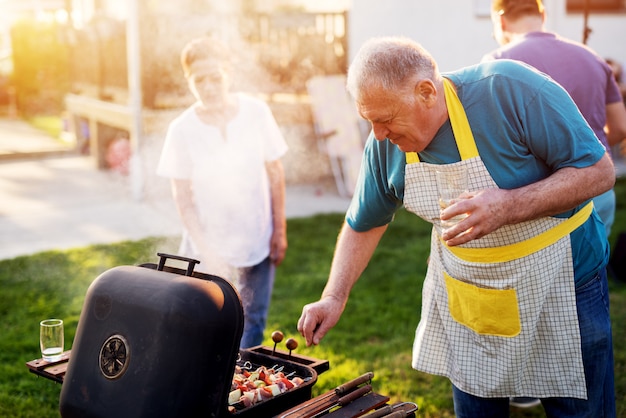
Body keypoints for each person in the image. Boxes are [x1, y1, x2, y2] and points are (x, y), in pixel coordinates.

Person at [297, 36, 616, 417]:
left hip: (563, 288)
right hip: (471, 300)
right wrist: (334, 296)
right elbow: (363, 221)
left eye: (385, 120)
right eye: (370, 121)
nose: (378, 134)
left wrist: (509, 205)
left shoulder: (511, 90)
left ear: (427, 92)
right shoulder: (384, 143)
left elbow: (598, 172)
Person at [157, 37, 288, 349]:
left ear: (228, 72)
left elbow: (275, 172)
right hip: (207, 249)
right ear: (189, 82)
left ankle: (245, 395)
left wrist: (279, 230)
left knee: (253, 322)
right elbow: (182, 195)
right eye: (199, 80)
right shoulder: (181, 129)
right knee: (207, 329)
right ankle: (210, 395)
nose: (209, 86)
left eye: (215, 77)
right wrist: (207, 251)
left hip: (257, 241)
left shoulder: (256, 112)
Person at [482, 0, 626, 239]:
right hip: (598, 193)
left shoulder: (497, 62)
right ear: (543, 14)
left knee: (546, 275)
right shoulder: (592, 57)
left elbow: (493, 139)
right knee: (592, 270)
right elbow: (620, 127)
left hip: (543, 199)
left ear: (501, 20)